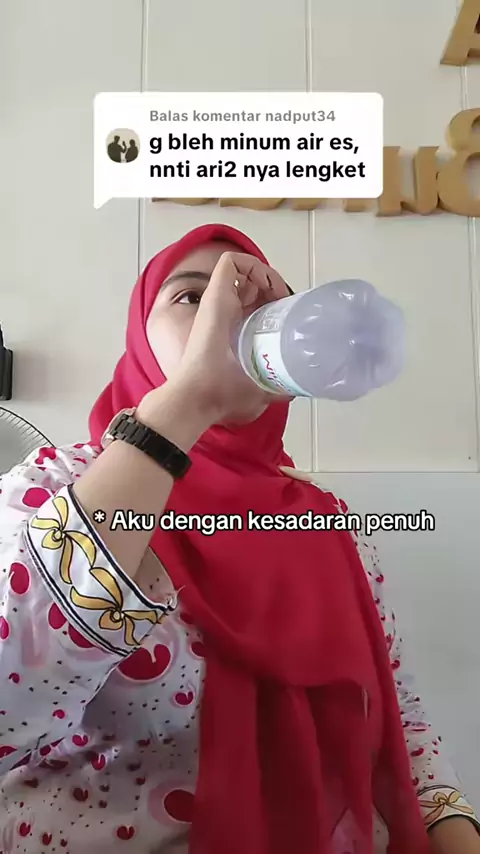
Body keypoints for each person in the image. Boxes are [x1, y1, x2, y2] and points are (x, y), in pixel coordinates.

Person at [0, 223, 479, 854]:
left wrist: (455, 831)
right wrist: (190, 399)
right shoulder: (55, 487)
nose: (227, 320)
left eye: (263, 309)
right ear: (140, 336)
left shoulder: (326, 521)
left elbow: (400, 715)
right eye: (192, 297)